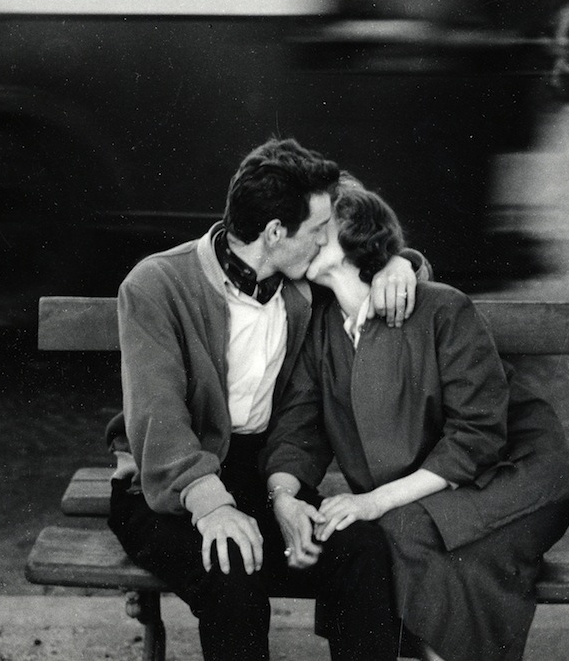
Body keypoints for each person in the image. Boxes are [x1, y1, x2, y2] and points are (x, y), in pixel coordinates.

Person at [106, 138, 425, 661]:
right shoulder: (156, 284)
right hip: (164, 488)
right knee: (233, 575)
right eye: (319, 230)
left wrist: (398, 267)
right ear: (276, 232)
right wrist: (212, 509)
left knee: (363, 552)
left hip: (260, 478)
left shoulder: (299, 285)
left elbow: (369, 250)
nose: (328, 242)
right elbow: (158, 421)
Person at [264, 180, 569, 661]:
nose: (303, 238)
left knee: (398, 534)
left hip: (513, 475)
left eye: (318, 229)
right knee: (373, 539)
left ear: (352, 239)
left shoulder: (441, 308)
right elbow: (299, 429)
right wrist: (284, 496)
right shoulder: (322, 325)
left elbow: (477, 436)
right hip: (429, 490)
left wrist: (372, 501)